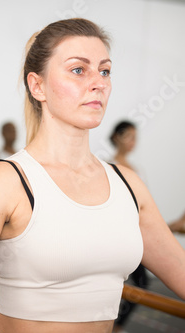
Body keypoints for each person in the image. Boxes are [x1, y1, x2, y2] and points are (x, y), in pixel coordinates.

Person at [0, 18, 185, 333]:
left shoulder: (128, 184)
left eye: (105, 70)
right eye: (78, 70)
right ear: (37, 86)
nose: (98, 82)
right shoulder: (6, 182)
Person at [109, 120, 149, 332]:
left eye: (135, 137)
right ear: (117, 138)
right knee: (135, 283)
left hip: (140, 235)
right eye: (129, 137)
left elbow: (145, 206)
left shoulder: (136, 169)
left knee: (140, 283)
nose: (134, 142)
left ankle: (116, 326)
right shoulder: (110, 167)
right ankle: (114, 326)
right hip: (122, 237)